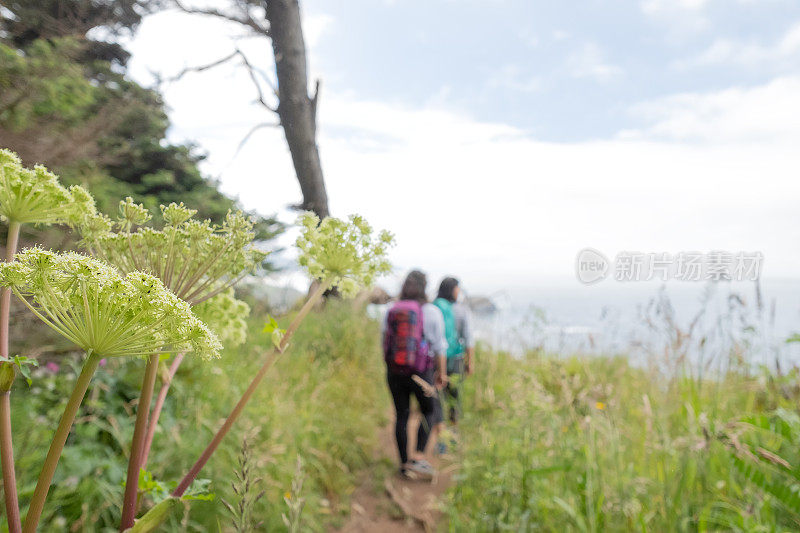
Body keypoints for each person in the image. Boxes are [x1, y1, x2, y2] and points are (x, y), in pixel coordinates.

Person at [382, 270, 448, 479]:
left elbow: (384, 342)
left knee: (401, 415)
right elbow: (439, 347)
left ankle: (403, 464)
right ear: (424, 287)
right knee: (428, 411)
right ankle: (418, 456)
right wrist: (441, 373)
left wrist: (392, 366)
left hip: (394, 371)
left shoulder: (391, 309)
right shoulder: (432, 312)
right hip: (421, 372)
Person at [433, 277, 474, 431]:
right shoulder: (461, 310)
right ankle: (453, 433)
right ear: (452, 290)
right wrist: (470, 362)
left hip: (435, 359)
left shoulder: (433, 307)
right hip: (455, 359)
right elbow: (469, 338)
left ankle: (439, 434)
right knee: (454, 397)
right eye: (458, 288)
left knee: (437, 397)